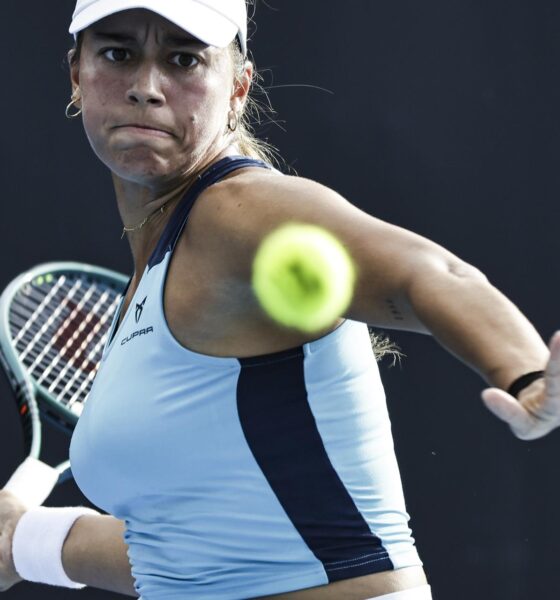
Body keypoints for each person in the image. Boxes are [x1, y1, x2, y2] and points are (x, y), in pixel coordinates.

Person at [0, 1, 559, 598]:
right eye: (117, 54)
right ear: (76, 75)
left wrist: (525, 374)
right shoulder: (158, 274)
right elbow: (194, 549)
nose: (146, 88)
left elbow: (430, 274)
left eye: (184, 59)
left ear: (238, 87)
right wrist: (24, 543)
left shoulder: (239, 211)